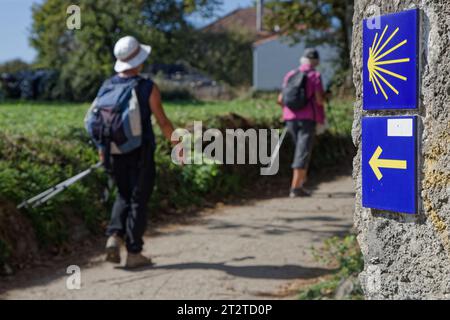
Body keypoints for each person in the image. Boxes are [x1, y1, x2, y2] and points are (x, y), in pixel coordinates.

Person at [99, 36, 180, 268]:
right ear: (138, 61)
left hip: (113, 150)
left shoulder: (107, 85)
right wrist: (177, 146)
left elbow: (100, 121)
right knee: (138, 199)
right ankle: (134, 252)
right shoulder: (146, 87)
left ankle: (114, 236)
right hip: (140, 152)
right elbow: (163, 122)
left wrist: (101, 151)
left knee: (122, 195)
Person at [277, 48, 326, 198]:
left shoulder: (290, 75)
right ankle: (296, 188)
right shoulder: (315, 76)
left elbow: (280, 99)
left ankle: (300, 183)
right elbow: (319, 100)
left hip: (290, 117)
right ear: (316, 62)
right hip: (308, 118)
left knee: (300, 150)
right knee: (303, 151)